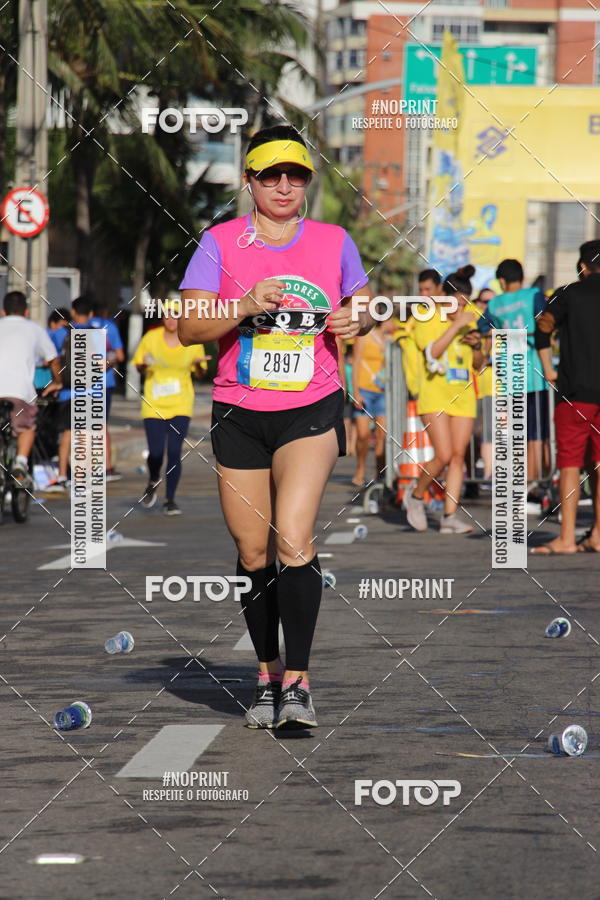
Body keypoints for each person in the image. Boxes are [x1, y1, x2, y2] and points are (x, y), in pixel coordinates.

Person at [178, 123, 371, 729]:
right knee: (253, 548)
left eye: (296, 176)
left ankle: (299, 682)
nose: (285, 186)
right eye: (271, 175)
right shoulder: (219, 243)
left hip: (311, 407)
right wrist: (243, 305)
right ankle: (266, 675)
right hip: (238, 411)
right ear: (250, 181)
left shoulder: (334, 240)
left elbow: (362, 305)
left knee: (292, 537)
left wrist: (355, 323)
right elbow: (187, 327)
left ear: (307, 182)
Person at [403, 265, 485, 534]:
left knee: (459, 456)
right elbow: (433, 352)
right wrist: (456, 327)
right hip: (435, 393)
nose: (459, 309)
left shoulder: (470, 318)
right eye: (455, 303)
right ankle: (415, 496)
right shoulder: (428, 317)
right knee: (444, 454)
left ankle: (450, 516)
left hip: (462, 394)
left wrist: (476, 347)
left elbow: (479, 364)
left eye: (464, 304)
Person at [532, 240, 600, 554]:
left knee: (571, 464)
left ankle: (567, 538)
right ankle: (598, 535)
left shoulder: (568, 294)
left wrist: (549, 369)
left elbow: (542, 327)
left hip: (576, 394)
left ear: (583, 266)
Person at [132, 300, 209, 516]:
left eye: (176, 315)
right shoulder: (151, 338)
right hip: (153, 403)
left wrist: (199, 366)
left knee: (174, 452)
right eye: (167, 315)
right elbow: (138, 366)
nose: (171, 319)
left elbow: (201, 373)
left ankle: (170, 499)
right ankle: (153, 478)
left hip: (181, 403)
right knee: (156, 452)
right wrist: (143, 365)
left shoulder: (192, 340)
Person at [478, 259, 548, 490]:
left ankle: (524, 482)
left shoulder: (496, 303)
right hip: (535, 373)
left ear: (501, 281)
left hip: (509, 376)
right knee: (537, 433)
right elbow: (545, 324)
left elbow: (482, 327)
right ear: (522, 276)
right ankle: (534, 483)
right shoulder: (533, 295)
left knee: (518, 432)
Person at [0, 291, 62, 483]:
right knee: (27, 427)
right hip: (19, 392)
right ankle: (20, 463)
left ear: (3, 311)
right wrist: (57, 382)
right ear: (26, 311)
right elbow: (53, 359)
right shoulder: (34, 329)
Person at [45, 296, 93, 491]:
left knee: (67, 433)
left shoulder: (60, 333)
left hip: (66, 391)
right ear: (90, 314)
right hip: (89, 391)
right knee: (84, 434)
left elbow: (50, 358)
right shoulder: (95, 333)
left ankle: (63, 476)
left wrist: (56, 382)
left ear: (73, 312)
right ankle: (81, 479)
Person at [351, 312, 395, 486]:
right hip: (364, 390)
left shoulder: (391, 340)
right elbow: (355, 363)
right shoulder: (364, 337)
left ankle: (380, 473)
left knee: (382, 436)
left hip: (383, 391)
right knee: (363, 435)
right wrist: (355, 392)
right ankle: (360, 468)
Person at [89, 302, 126, 481]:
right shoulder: (109, 326)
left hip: (80, 383)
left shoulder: (74, 328)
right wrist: (106, 363)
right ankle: (106, 466)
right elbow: (120, 356)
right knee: (101, 425)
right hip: (104, 383)